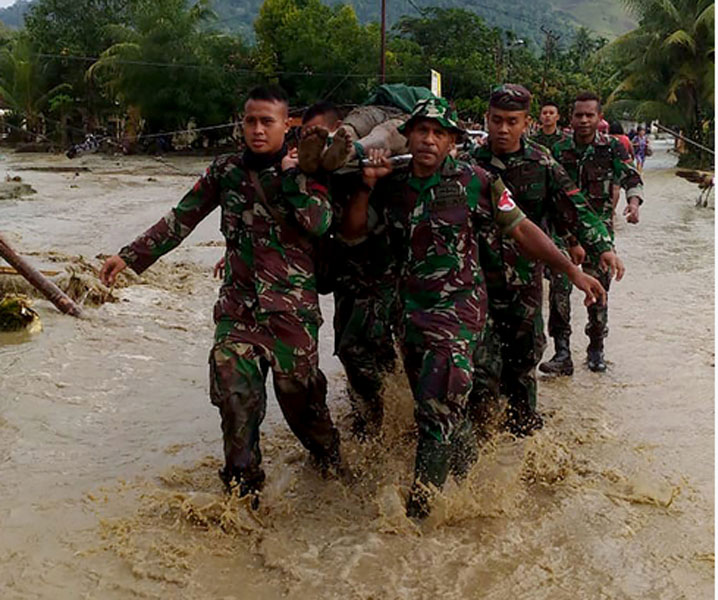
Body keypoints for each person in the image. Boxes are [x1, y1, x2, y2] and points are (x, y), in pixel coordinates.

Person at [340, 97, 608, 518]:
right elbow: (353, 233)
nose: (429, 140)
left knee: (435, 415)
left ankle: (420, 518)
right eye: (422, 131)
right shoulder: (392, 184)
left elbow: (522, 228)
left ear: (452, 142)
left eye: (439, 133)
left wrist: (572, 271)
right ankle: (476, 487)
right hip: (409, 318)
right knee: (444, 409)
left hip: (458, 317)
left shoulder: (477, 181)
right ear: (408, 136)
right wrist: (366, 185)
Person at [99, 86, 346, 507]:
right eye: (250, 121)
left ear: (286, 125)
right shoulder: (225, 171)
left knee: (303, 407)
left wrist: (291, 178)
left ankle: (331, 465)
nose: (257, 130)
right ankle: (242, 497)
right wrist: (130, 256)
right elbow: (182, 218)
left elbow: (319, 222)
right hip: (238, 311)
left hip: (291, 315)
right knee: (235, 400)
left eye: (267, 121)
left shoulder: (308, 168)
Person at [467, 84, 622, 438]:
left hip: (524, 282)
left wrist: (602, 247)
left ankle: (522, 442)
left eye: (512, 121)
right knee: (481, 370)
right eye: (496, 120)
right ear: (487, 119)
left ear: (527, 123)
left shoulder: (542, 163)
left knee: (523, 365)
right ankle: (483, 443)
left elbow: (576, 207)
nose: (503, 129)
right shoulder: (468, 165)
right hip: (477, 285)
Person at [302, 101, 399, 440]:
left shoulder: (375, 157)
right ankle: (372, 420)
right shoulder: (312, 175)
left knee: (366, 349)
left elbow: (355, 230)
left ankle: (381, 424)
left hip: (381, 274)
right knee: (352, 349)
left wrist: (366, 181)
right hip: (346, 276)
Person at [541, 91, 644, 374]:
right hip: (563, 233)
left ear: (599, 118)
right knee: (559, 290)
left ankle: (596, 347)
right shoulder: (558, 151)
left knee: (599, 290)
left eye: (590, 115)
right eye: (579, 115)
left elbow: (631, 177)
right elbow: (550, 194)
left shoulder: (611, 148)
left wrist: (634, 203)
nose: (584, 120)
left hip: (599, 236)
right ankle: (562, 352)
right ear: (571, 118)